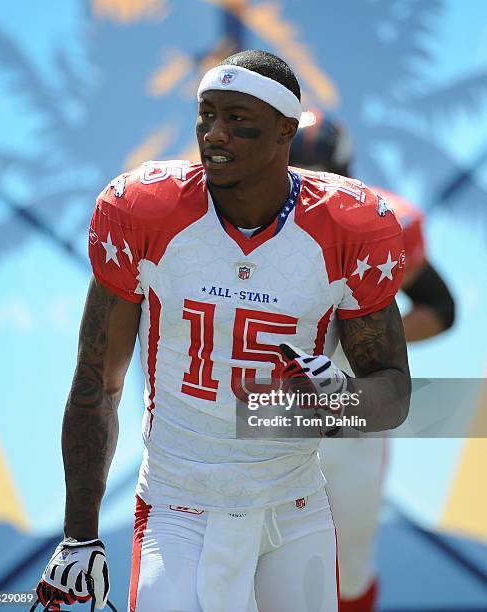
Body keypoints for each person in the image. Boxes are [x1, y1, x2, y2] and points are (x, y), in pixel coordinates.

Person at [35, 51, 411, 612]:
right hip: (177, 503)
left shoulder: (347, 227)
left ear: (287, 130)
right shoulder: (145, 211)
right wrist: (79, 535)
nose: (215, 133)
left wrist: (341, 402)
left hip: (295, 506)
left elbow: (394, 393)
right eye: (207, 114)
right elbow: (97, 384)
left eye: (238, 118)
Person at [289, 107, 455, 612]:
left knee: (346, 571)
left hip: (347, 420)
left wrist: (371, 345)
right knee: (251, 559)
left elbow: (441, 307)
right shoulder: (230, 219)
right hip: (269, 409)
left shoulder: (385, 221)